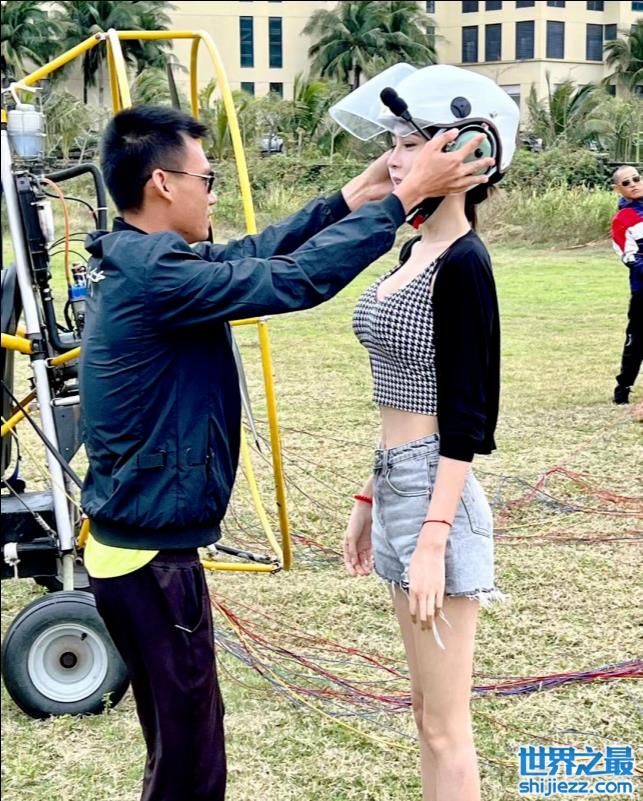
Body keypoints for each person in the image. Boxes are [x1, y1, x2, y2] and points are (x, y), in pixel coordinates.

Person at [79, 103, 494, 801]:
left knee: (181, 745)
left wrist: (359, 193)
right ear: (163, 184)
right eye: (206, 180)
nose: (213, 194)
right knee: (190, 761)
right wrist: (401, 200)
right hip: (150, 562)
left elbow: (262, 250)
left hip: (134, 551)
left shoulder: (142, 259)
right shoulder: (156, 276)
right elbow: (293, 280)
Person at [340, 65, 519, 801]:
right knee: (423, 715)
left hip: (434, 499)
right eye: (394, 143)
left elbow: (467, 417)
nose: (395, 158)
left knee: (446, 726)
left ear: (467, 156)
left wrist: (433, 537)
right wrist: (368, 496)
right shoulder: (409, 249)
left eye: (411, 144)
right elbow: (402, 390)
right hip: (397, 483)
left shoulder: (466, 264)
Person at [610, 164, 642, 405]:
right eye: (626, 183)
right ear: (618, 189)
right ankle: (624, 387)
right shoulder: (623, 220)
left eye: (636, 178)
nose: (633, 184)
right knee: (637, 340)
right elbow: (629, 257)